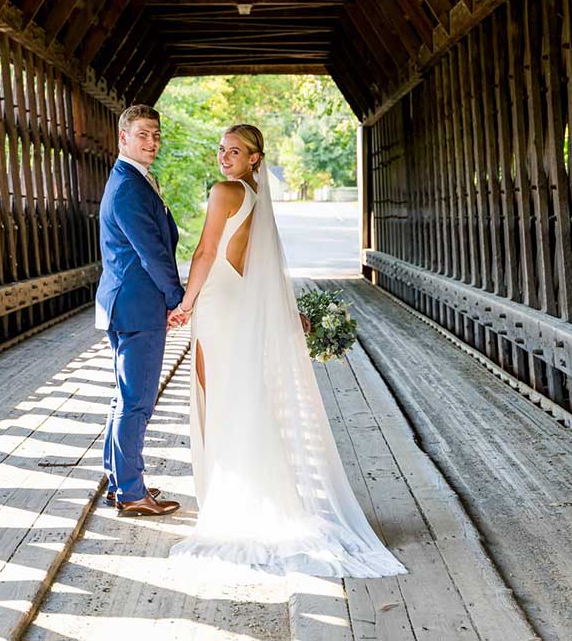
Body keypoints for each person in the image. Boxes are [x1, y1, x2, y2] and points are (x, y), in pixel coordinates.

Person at [167, 124, 407, 577]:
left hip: (218, 303)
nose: (224, 157)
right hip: (235, 302)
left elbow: (204, 252)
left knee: (216, 399)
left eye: (234, 151)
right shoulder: (256, 197)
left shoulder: (224, 192)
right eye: (221, 150)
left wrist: (185, 303)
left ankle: (230, 501)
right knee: (238, 398)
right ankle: (248, 496)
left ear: (255, 158)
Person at [94, 104, 183, 518]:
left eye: (157, 135)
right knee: (136, 402)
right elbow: (151, 251)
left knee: (124, 398)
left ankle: (120, 481)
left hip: (125, 301)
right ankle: (131, 493)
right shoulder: (129, 185)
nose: (151, 142)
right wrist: (176, 297)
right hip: (138, 304)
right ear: (123, 138)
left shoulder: (131, 179)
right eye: (143, 134)